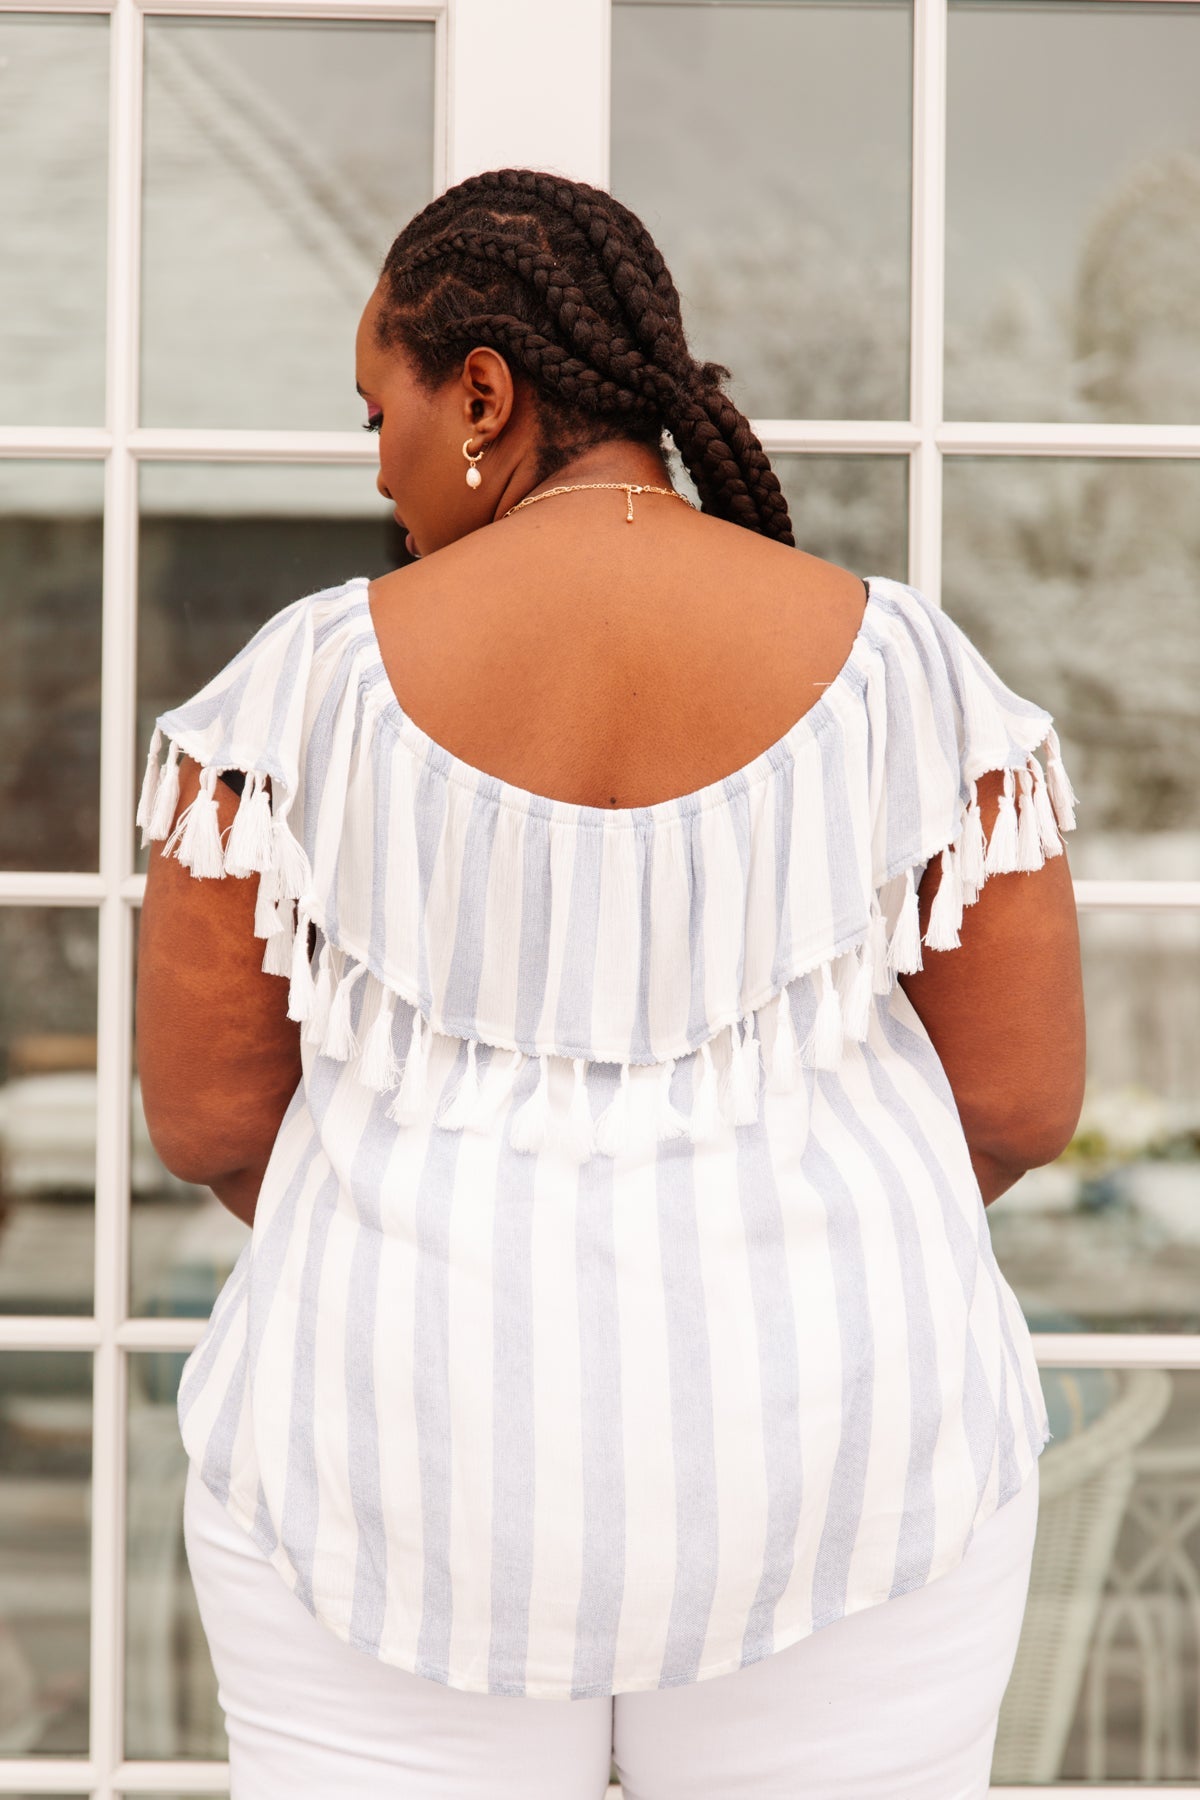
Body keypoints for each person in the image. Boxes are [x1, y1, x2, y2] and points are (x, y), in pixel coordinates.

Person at [136, 167, 1087, 1799]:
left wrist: (472, 1220)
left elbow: (214, 1121)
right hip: (850, 1464)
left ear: (482, 395)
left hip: (387, 1466)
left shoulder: (290, 698)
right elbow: (1017, 1103)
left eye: (379, 412)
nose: (377, 465)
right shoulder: (910, 674)